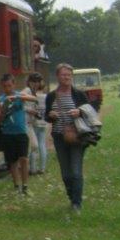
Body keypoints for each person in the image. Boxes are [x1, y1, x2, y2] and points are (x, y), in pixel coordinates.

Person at [45, 63, 90, 214]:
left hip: (77, 136)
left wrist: (80, 112)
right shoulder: (51, 96)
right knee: (66, 174)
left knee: (76, 172)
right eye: (64, 75)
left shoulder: (79, 94)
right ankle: (72, 196)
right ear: (58, 76)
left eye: (69, 75)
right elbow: (46, 116)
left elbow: (89, 111)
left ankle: (77, 204)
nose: (67, 77)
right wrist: (50, 115)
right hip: (59, 137)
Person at [0, 73, 36, 195]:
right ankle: (16, 186)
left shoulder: (20, 95)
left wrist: (18, 97)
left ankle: (25, 186)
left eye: (9, 85)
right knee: (12, 161)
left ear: (14, 84)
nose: (7, 88)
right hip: (7, 134)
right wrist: (4, 109)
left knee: (24, 159)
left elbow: (34, 99)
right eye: (5, 86)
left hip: (21, 132)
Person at [24, 72, 50, 175]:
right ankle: (42, 167)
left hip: (33, 122)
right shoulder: (45, 96)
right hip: (42, 122)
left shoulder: (33, 94)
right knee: (41, 144)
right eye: (34, 81)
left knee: (34, 146)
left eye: (37, 82)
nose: (36, 84)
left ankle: (33, 168)